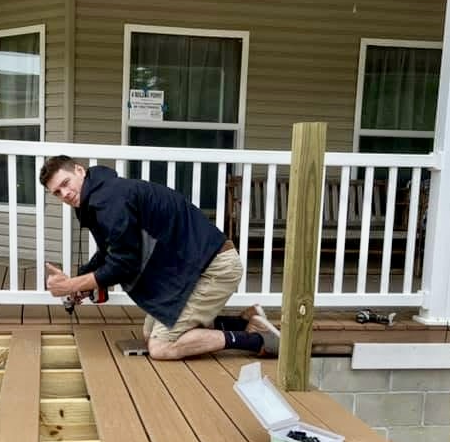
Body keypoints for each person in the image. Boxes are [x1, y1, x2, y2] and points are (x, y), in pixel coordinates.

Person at [39, 154, 280, 360]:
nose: (65, 194)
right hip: (193, 267)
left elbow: (123, 264)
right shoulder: (102, 197)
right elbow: (110, 252)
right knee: (149, 333)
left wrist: (72, 284)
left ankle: (255, 341)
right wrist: (82, 279)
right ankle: (248, 321)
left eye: (66, 183)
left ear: (80, 170)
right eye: (57, 192)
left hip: (213, 269)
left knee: (161, 346)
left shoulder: (109, 200)